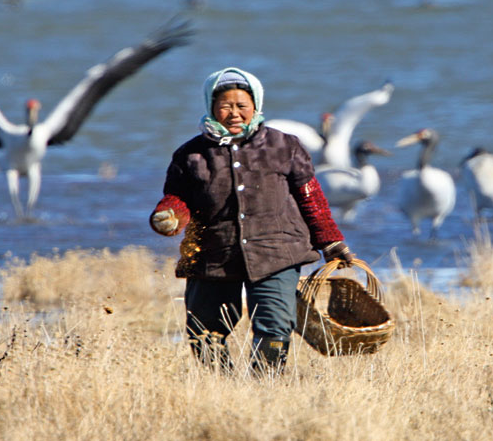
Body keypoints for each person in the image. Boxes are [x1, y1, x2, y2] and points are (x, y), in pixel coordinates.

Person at [149, 67, 355, 374]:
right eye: (225, 105)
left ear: (256, 106)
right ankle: (222, 386)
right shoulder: (190, 154)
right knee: (204, 331)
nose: (234, 113)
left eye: (242, 105)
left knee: (274, 326)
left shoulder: (285, 146)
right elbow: (178, 199)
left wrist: (331, 241)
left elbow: (311, 198)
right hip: (214, 254)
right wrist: (169, 216)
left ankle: (264, 386)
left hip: (277, 251)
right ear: (211, 107)